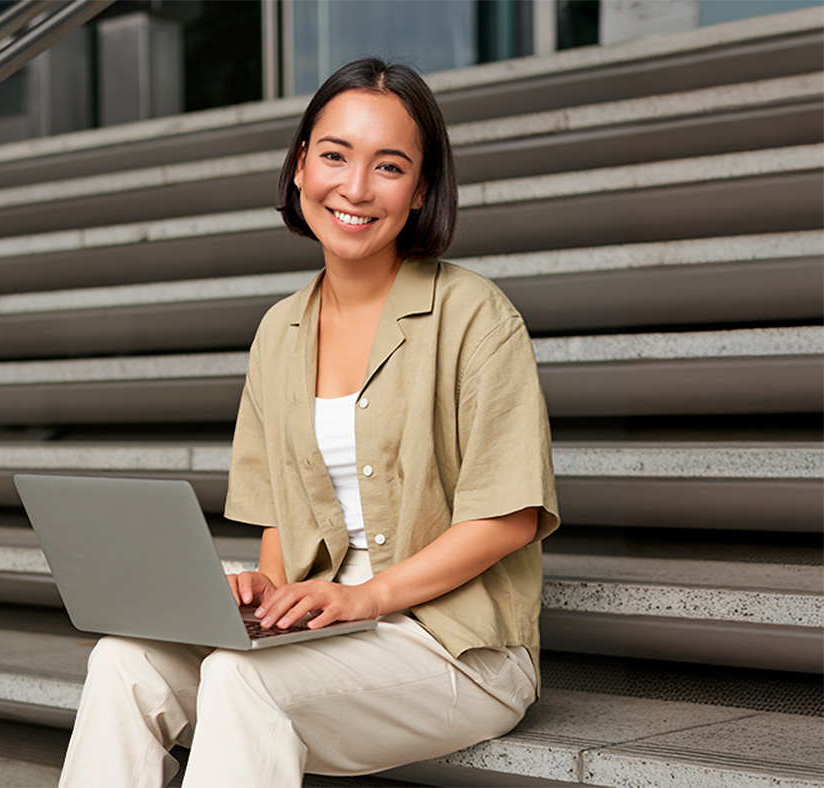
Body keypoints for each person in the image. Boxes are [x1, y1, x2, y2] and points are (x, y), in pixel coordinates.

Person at [59, 57, 559, 788]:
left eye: (389, 167)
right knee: (123, 659)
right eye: (334, 156)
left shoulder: (476, 316)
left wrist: (366, 596)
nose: (355, 188)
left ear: (420, 190)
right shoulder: (280, 331)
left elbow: (509, 516)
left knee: (240, 680)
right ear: (300, 167)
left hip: (454, 647)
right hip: (328, 624)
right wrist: (264, 594)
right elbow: (278, 525)